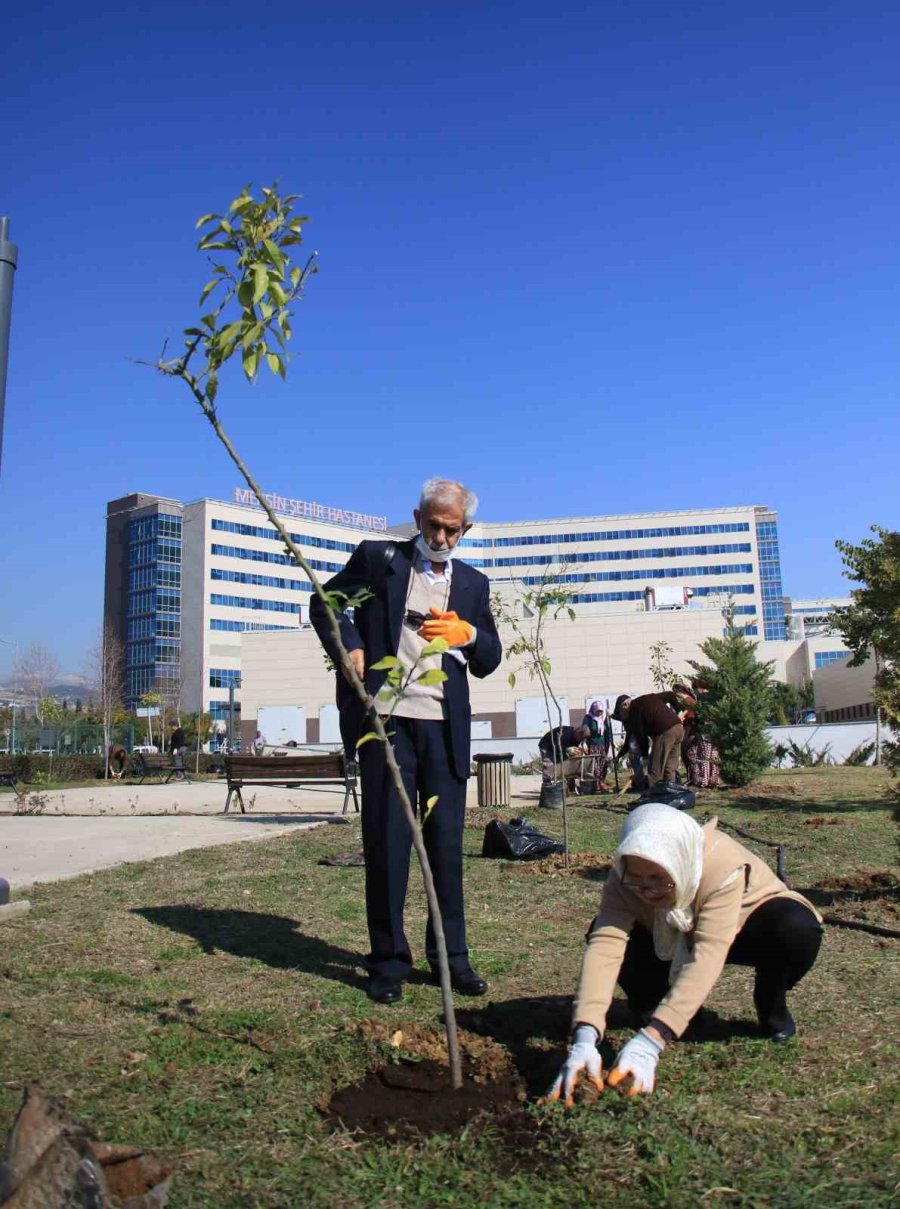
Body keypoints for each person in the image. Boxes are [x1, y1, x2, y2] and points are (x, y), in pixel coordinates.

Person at [310, 477, 502, 1005]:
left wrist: (467, 635)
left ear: (465, 529)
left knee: (445, 849)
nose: (441, 537)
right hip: (386, 724)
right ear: (418, 518)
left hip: (445, 732)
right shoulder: (379, 561)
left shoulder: (472, 584)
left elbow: (489, 658)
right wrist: (348, 646)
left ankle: (451, 959)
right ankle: (388, 962)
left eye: (453, 530)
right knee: (388, 846)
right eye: (434, 525)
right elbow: (324, 603)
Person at [548, 804, 823, 1104]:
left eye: (658, 878)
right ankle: (653, 1004)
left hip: (745, 926)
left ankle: (771, 1005)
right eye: (637, 878)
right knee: (602, 931)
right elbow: (606, 943)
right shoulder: (623, 875)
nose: (647, 889)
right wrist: (585, 1035)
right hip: (671, 927)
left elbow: (708, 953)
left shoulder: (721, 866)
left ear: (678, 863)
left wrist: (652, 1041)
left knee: (795, 929)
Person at [612, 692, 683, 788]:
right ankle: (671, 791)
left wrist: (645, 755)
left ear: (625, 705)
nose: (623, 715)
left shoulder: (634, 712)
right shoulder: (648, 698)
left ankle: (652, 795)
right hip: (678, 727)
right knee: (670, 767)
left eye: (621, 712)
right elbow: (670, 694)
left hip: (664, 732)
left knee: (655, 770)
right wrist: (679, 709)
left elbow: (641, 737)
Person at [581, 701, 611, 791]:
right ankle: (596, 784)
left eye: (601, 711)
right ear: (593, 710)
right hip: (593, 746)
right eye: (598, 711)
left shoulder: (603, 718)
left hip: (602, 746)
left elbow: (607, 732)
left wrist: (609, 717)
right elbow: (584, 731)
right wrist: (584, 743)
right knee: (595, 766)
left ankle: (601, 781)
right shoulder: (588, 718)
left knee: (603, 765)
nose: (599, 713)